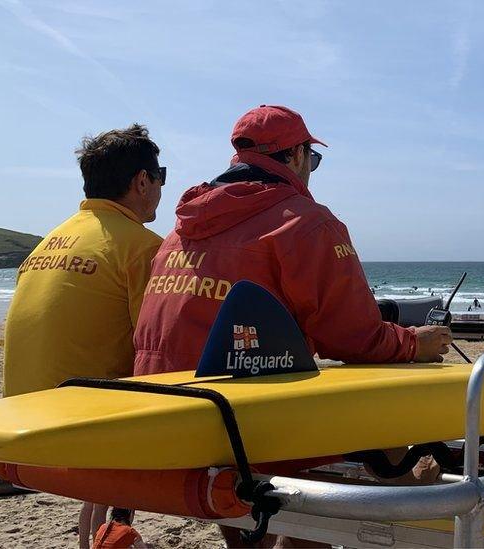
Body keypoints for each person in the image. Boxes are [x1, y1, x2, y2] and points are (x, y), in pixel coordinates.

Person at [131, 105, 451, 547]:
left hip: (165, 413)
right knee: (389, 395)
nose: (312, 171)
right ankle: (410, 482)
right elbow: (356, 338)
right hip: (247, 424)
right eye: (313, 160)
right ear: (297, 156)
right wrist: (416, 344)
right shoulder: (304, 221)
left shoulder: (182, 227)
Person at [1, 125, 164, 549]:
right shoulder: (141, 246)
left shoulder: (51, 240)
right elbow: (156, 349)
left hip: (21, 419)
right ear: (141, 181)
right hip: (80, 426)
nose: (162, 186)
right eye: (159, 174)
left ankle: (96, 531)